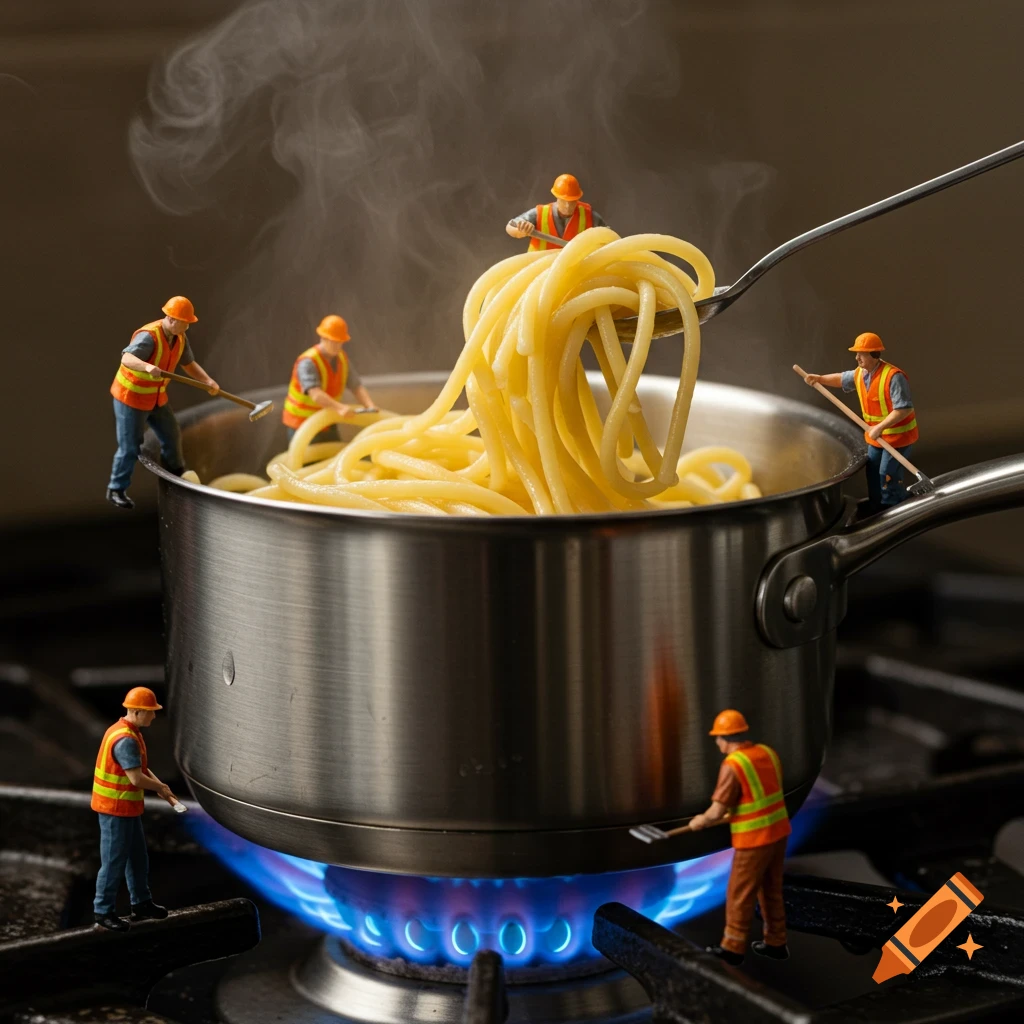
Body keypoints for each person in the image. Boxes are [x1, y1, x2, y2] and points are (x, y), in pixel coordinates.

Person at [689, 709, 791, 965]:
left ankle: (732, 948)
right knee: (771, 890)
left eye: (718, 737)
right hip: (779, 831)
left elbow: (716, 812)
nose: (717, 742)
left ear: (726, 738)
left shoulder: (733, 765)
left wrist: (701, 820)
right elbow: (761, 795)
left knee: (739, 893)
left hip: (754, 840)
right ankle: (776, 941)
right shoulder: (767, 752)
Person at [107, 296, 219, 510]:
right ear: (172, 319)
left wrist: (207, 381)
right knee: (130, 446)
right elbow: (126, 358)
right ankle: (116, 489)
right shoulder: (149, 337)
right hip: (131, 398)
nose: (187, 326)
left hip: (156, 398)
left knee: (172, 433)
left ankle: (177, 476)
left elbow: (189, 364)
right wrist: (147, 367)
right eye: (185, 322)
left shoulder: (180, 338)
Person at [91, 687, 179, 931]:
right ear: (137, 711)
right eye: (151, 712)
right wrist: (160, 787)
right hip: (114, 810)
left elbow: (142, 769)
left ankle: (141, 903)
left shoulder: (128, 732)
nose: (154, 716)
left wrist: (162, 788)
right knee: (113, 862)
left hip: (127, 808)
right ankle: (103, 911)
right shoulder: (126, 740)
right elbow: (136, 779)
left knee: (138, 858)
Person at [802, 333, 918, 511]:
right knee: (872, 471)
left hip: (897, 438)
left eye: (861, 354)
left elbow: (904, 409)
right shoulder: (860, 374)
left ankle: (893, 507)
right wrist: (819, 379)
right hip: (875, 437)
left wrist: (880, 427)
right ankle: (876, 506)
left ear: (874, 354)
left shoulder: (893, 377)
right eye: (856, 353)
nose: (857, 358)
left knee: (887, 473)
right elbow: (841, 379)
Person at [282, 314, 375, 442]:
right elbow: (315, 394)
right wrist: (340, 408)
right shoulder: (308, 362)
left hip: (328, 421)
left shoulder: (342, 359)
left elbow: (356, 386)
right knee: (306, 455)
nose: (337, 346)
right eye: (333, 342)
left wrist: (369, 405)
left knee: (335, 452)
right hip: (303, 424)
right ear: (323, 338)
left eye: (340, 342)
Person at [506, 173, 608, 250]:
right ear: (557, 198)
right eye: (563, 201)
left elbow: (609, 238)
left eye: (572, 202)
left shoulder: (589, 216)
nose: (567, 206)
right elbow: (510, 226)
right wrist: (521, 232)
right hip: (540, 268)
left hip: (574, 269)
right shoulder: (540, 213)